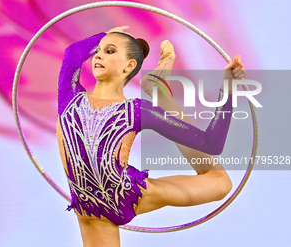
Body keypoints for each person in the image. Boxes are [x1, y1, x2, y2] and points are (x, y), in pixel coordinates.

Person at [56, 26, 246, 247]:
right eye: (97, 51)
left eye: (109, 51)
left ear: (130, 65)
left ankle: (159, 91)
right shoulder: (69, 96)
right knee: (218, 182)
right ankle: (157, 87)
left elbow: (211, 143)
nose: (97, 54)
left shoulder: (137, 111)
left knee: (220, 182)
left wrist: (229, 90)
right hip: (90, 212)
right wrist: (105, 35)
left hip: (128, 195)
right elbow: (72, 52)